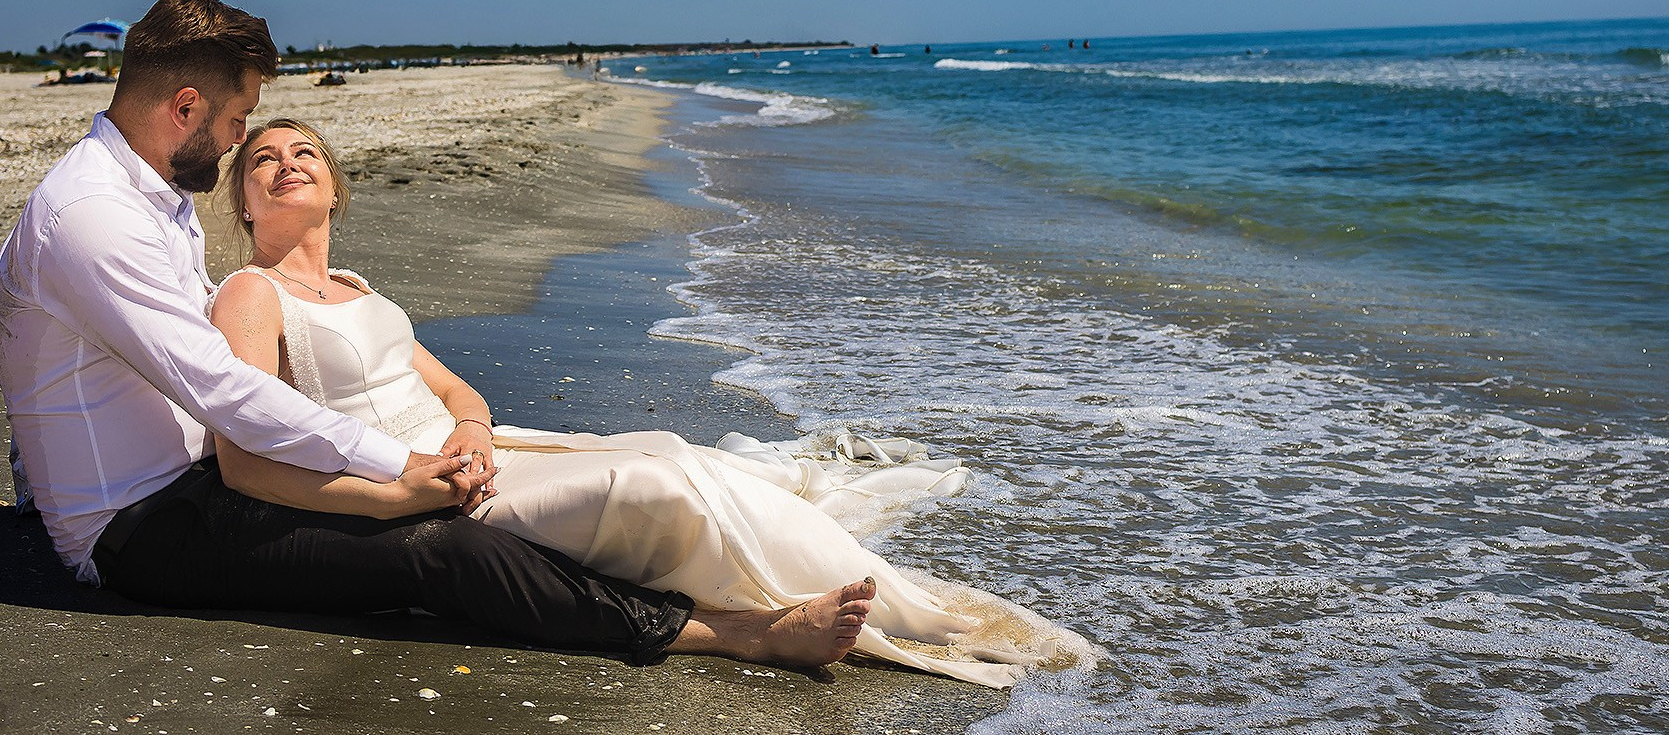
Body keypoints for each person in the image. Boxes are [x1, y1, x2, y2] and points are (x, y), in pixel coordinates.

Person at [0, 0, 874, 669]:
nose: (238, 139)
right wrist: (397, 467)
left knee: (499, 508)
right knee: (438, 550)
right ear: (185, 106)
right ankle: (733, 633)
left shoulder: (154, 201)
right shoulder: (94, 216)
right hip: (143, 526)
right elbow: (223, 388)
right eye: (236, 121)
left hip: (202, 479)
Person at [207, 117, 1074, 687]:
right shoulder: (250, 294)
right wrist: (404, 494)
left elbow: (454, 387)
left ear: (336, 186)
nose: (286, 164)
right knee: (657, 485)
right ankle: (812, 620)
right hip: (426, 487)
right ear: (243, 203)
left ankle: (908, 607)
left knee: (679, 453)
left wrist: (472, 428)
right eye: (262, 160)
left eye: (304, 153)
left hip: (480, 449)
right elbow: (243, 461)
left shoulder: (355, 285)